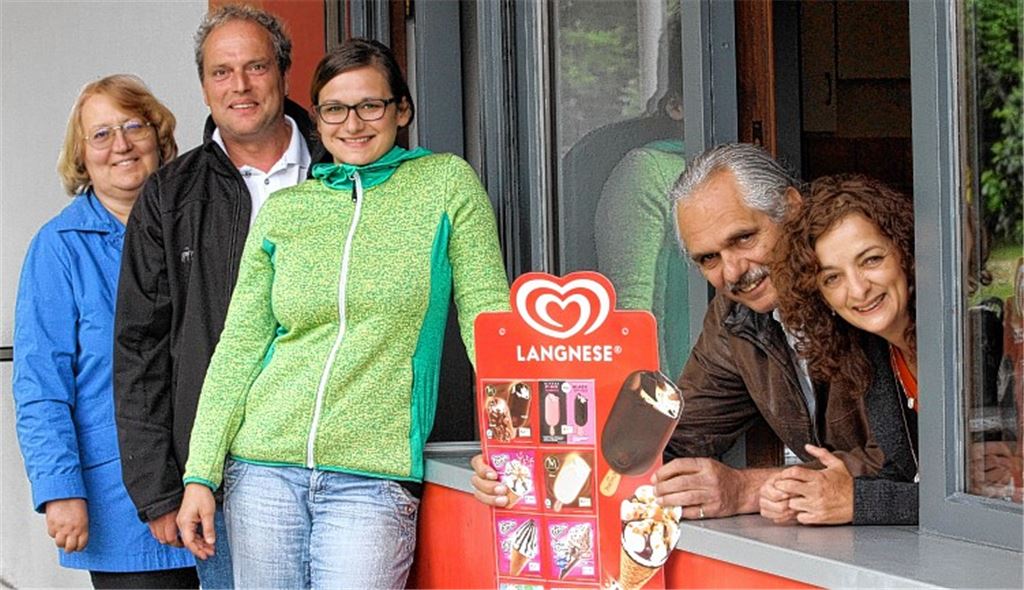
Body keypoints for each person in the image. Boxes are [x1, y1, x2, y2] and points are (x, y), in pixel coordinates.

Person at [176, 39, 510, 588]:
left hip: (372, 478)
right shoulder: (287, 210)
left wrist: (517, 443)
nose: (352, 123)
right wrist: (199, 475)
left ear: (402, 110)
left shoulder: (445, 185)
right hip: (261, 470)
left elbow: (487, 321)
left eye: (370, 106)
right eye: (334, 109)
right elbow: (239, 349)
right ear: (317, 118)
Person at [473, 143, 887, 521]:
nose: (733, 271)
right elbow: (673, 436)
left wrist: (747, 488)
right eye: (709, 258)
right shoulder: (734, 319)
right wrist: (523, 464)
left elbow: (906, 466)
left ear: (791, 209)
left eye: (744, 238)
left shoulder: (866, 297)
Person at [113, 6, 325, 588]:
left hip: (341, 459)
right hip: (222, 473)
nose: (240, 86)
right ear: (204, 85)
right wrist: (158, 486)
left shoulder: (341, 169)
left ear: (283, 72)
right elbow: (139, 346)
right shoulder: (169, 195)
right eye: (221, 72)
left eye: (255, 66)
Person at [13, 74, 197, 588]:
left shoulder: (199, 228)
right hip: (119, 503)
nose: (120, 145)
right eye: (100, 134)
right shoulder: (58, 248)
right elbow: (40, 384)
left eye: (134, 126)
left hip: (217, 491)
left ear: (159, 138)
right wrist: (59, 488)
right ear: (81, 155)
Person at [762, 175, 920, 525]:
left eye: (871, 260)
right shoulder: (877, 354)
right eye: (833, 278)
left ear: (905, 253)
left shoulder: (969, 341)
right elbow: (903, 474)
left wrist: (860, 501)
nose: (859, 289)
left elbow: (979, 502)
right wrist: (804, 489)